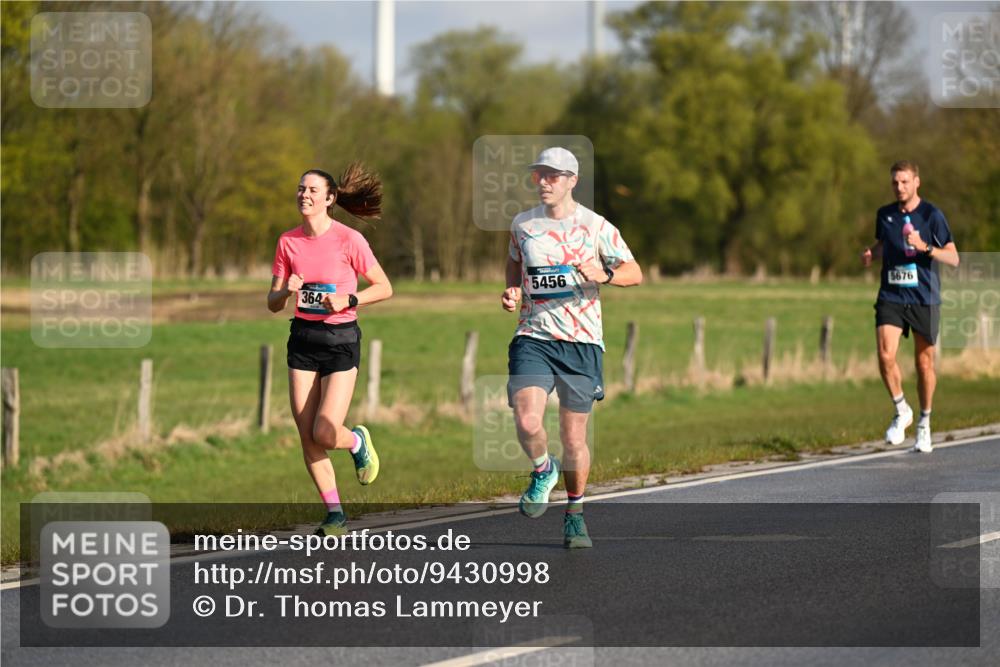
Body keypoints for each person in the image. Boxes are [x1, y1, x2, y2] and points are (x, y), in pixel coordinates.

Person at [502, 147, 642, 548]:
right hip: (534, 336)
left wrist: (605, 273)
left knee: (573, 438)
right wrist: (512, 290)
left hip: (582, 342)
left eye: (553, 176)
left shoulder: (595, 226)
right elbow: (514, 261)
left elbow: (635, 272)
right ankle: (542, 469)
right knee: (527, 419)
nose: (544, 182)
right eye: (539, 175)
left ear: (572, 181)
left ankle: (575, 514)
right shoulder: (523, 224)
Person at [268, 164, 393, 535]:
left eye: (311, 190)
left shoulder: (349, 239)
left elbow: (384, 287)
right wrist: (286, 290)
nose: (304, 195)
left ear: (330, 198)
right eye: (300, 189)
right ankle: (335, 513)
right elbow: (273, 303)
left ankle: (356, 441)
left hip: (340, 341)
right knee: (307, 435)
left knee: (325, 431)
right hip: (302, 340)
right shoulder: (287, 242)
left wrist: (348, 299)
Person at [861, 160, 959, 453]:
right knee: (885, 355)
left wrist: (925, 246)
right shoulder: (885, 215)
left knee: (924, 364)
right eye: (895, 182)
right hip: (891, 295)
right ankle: (902, 409)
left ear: (917, 182)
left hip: (924, 298)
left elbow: (953, 258)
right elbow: (885, 244)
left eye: (904, 181)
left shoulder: (932, 215)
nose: (899, 187)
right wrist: (872, 253)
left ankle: (924, 422)